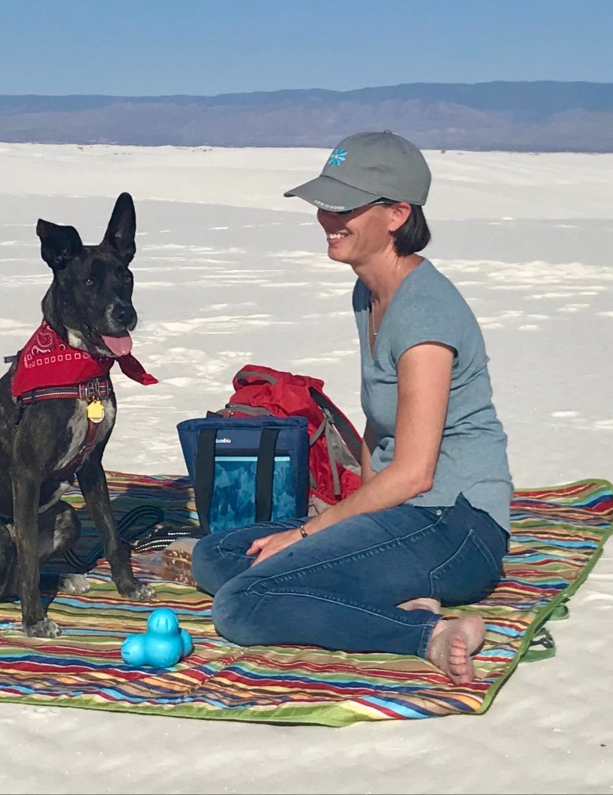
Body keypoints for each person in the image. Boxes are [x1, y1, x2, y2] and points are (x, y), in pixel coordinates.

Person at [190, 131, 513, 684]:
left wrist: (313, 533)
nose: (326, 218)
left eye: (344, 205)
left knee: (242, 603)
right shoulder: (369, 293)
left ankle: (428, 634)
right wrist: (350, 512)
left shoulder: (426, 314)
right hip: (403, 512)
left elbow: (414, 473)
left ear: (397, 214)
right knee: (216, 554)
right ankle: (399, 595)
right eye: (324, 203)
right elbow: (380, 422)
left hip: (455, 525)